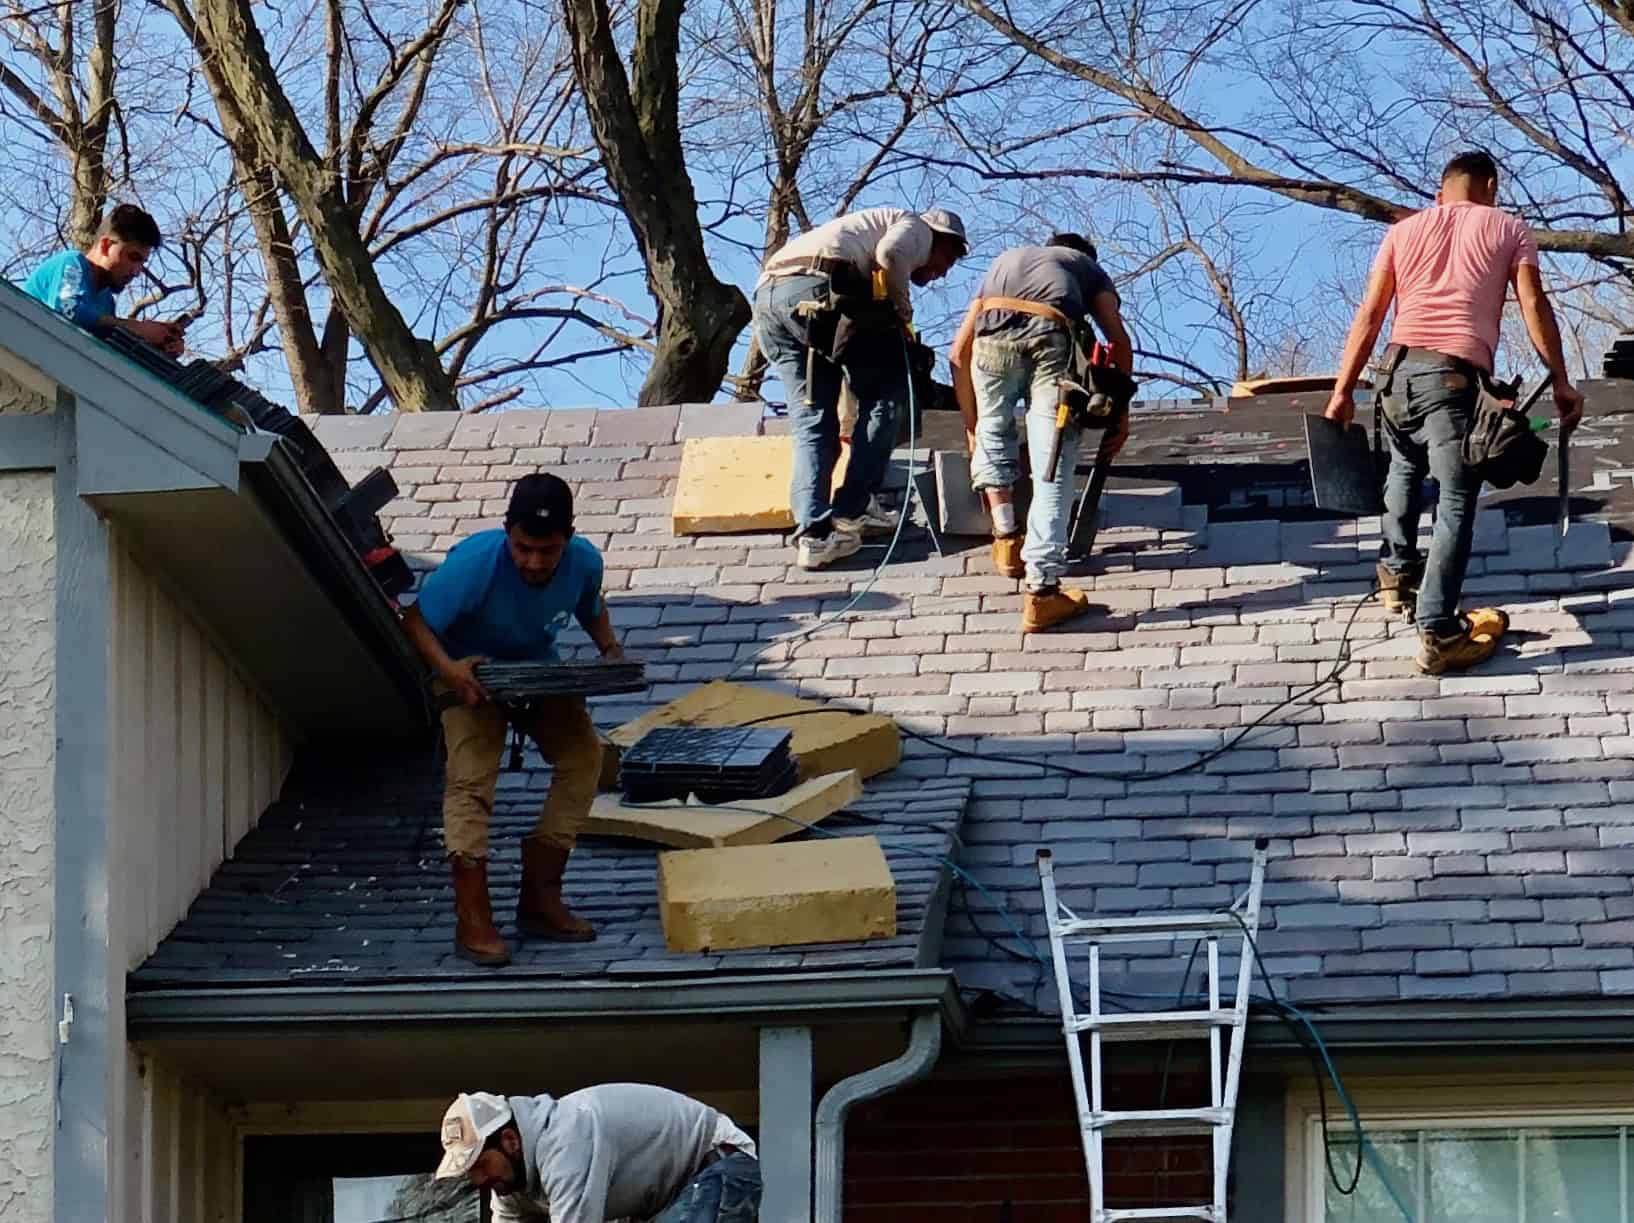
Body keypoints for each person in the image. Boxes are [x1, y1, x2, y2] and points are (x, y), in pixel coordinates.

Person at [1324, 150, 1585, 675]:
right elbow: (1533, 304)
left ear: (1441, 193)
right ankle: (1439, 630)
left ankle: (1397, 576)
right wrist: (1559, 378)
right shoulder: (1508, 228)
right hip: (1450, 379)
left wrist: (1342, 389)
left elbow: (1372, 312)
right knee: (1457, 497)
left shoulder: (1405, 231)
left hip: (1394, 377)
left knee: (1402, 464)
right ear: (1490, 185)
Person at [401, 473, 622, 966]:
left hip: (535, 669)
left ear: (568, 539)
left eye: (548, 551)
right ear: (507, 533)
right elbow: (414, 621)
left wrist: (609, 648)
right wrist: (450, 671)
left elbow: (590, 605)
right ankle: (473, 917)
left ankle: (540, 897)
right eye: (523, 549)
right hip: (466, 670)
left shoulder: (585, 562)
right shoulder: (475, 565)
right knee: (471, 781)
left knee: (585, 756)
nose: (534, 562)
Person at [754, 206, 968, 569]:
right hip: (818, 292)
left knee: (814, 420)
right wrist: (902, 310)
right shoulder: (915, 226)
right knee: (888, 397)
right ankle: (853, 509)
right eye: (948, 260)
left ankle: (815, 534)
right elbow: (892, 254)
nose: (942, 272)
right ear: (941, 242)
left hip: (771, 302)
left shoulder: (858, 234)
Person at [947, 233, 1133, 633]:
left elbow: (957, 353)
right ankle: (1042, 592)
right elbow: (1117, 340)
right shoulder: (1087, 268)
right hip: (1051, 337)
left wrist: (971, 427)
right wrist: (1121, 417)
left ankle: (1006, 539)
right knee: (1052, 465)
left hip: (990, 341)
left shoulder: (1005, 260)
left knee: (993, 431)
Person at [435, 1086, 760, 1223]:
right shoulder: (510, 1184)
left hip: (717, 1166)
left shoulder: (565, 1141)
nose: (479, 1179)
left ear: (509, 1141)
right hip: (673, 1196)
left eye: (480, 1164)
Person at [21, 204, 184, 354]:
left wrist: (156, 343)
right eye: (133, 257)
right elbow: (68, 311)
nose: (137, 271)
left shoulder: (106, 302)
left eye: (142, 262)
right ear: (106, 245)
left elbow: (106, 350)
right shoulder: (71, 262)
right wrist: (137, 328)